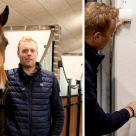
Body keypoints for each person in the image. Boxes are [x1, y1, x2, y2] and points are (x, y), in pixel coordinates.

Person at [85, 2, 136, 136]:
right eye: (111, 34)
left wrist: (108, 27)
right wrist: (130, 109)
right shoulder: (83, 70)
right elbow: (100, 124)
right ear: (96, 36)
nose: (112, 36)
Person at [4, 36, 65, 136]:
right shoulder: (7, 77)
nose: (29, 53)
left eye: (32, 50)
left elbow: (59, 113)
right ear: (18, 54)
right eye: (24, 50)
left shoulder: (50, 78)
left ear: (37, 54)